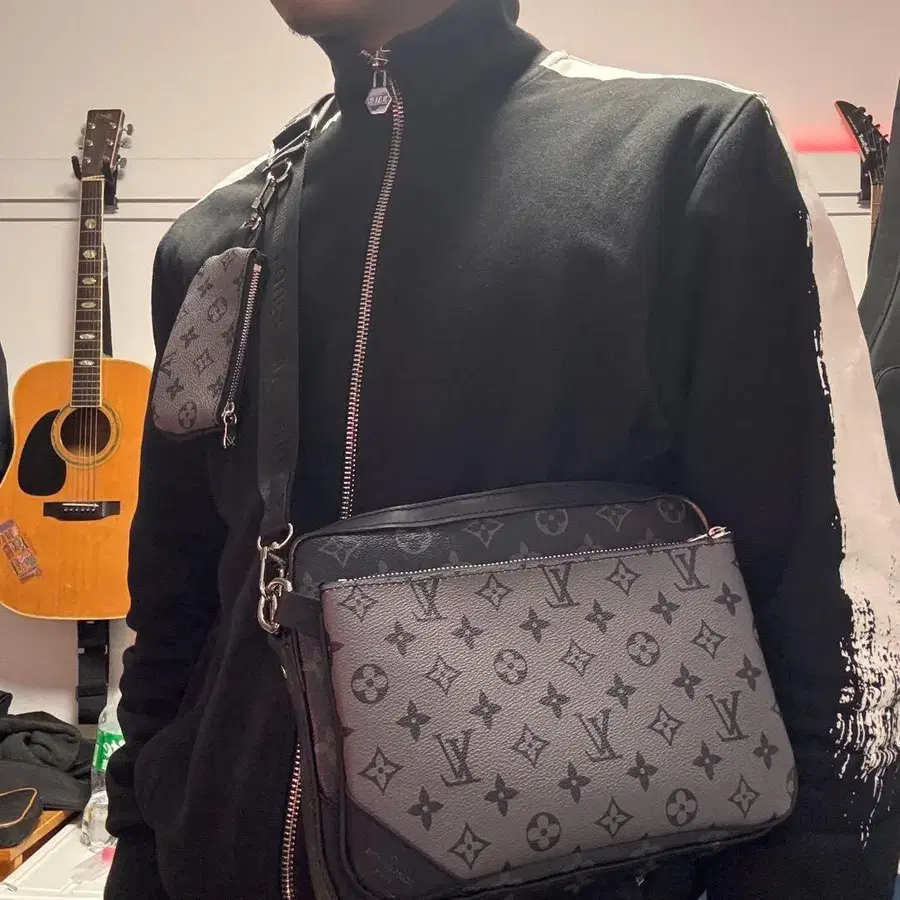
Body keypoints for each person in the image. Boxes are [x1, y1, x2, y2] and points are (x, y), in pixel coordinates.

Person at [104, 1, 900, 898]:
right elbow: (174, 612)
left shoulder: (688, 160)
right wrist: (142, 851)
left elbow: (833, 615)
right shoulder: (216, 241)